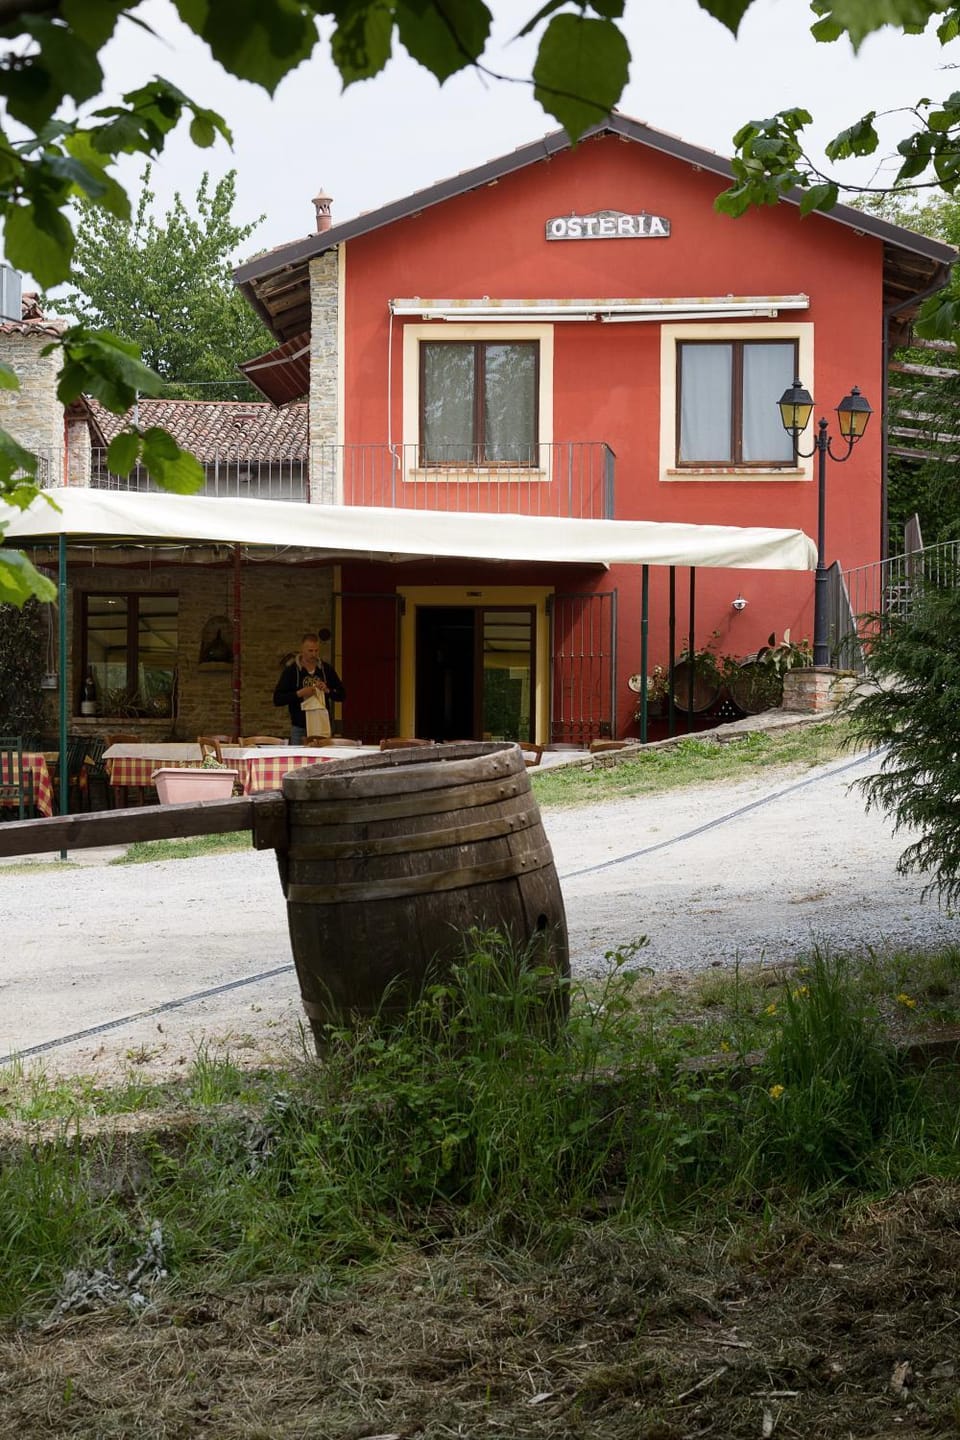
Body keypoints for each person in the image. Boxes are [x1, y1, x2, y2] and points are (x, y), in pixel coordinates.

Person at [273, 632, 346, 743]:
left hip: (322, 726)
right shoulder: (291, 671)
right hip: (299, 727)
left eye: (316, 650)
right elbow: (277, 699)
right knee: (298, 759)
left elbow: (342, 695)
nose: (314, 654)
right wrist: (299, 693)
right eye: (310, 651)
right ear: (302, 649)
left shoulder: (326, 669)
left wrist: (327, 690)